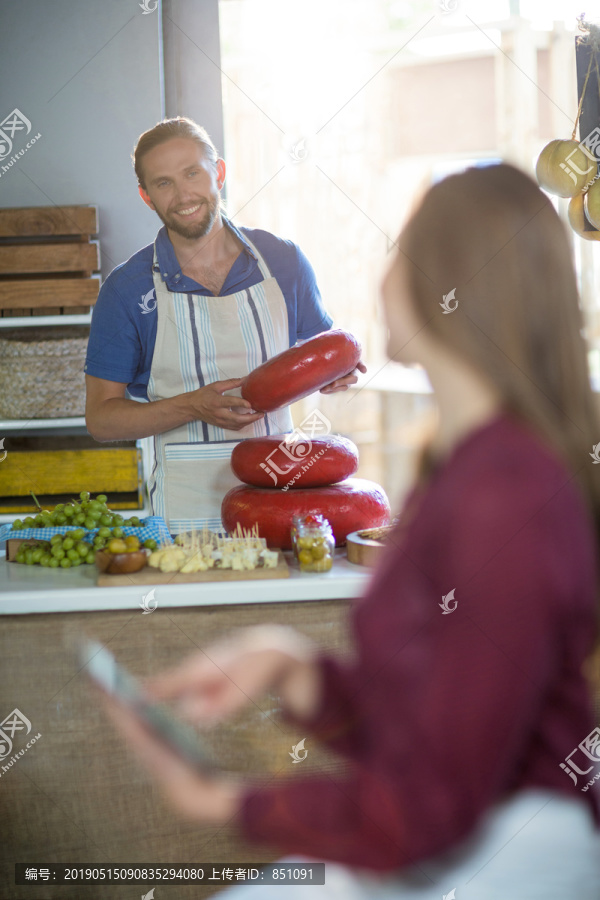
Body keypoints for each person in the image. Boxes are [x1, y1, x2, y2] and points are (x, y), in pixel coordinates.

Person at [101, 163, 600, 898]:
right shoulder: (460, 467)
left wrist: (224, 802)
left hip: (510, 857)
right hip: (462, 838)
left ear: (448, 281)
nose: (383, 270)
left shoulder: (504, 493)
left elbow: (432, 802)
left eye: (398, 248)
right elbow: (427, 717)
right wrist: (292, 666)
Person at [84, 117, 364, 534]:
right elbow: (101, 420)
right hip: (185, 520)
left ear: (219, 172)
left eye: (192, 173)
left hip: (280, 501)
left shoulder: (282, 262)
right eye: (163, 184)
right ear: (147, 197)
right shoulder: (127, 289)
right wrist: (189, 405)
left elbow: (322, 355)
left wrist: (335, 375)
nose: (183, 195)